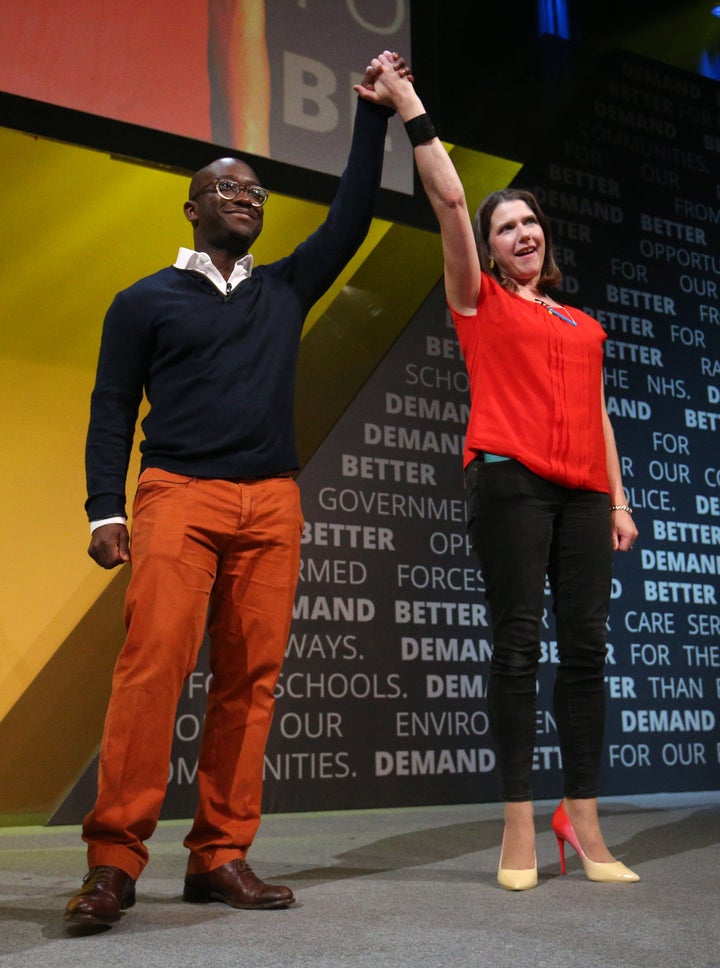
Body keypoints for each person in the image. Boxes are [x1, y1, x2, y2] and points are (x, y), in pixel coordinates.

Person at [65, 49, 411, 930]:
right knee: (152, 671)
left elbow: (354, 212)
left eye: (256, 192)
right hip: (178, 494)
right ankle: (113, 862)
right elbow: (111, 411)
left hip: (271, 504)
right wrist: (107, 506)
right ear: (192, 205)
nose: (247, 199)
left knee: (250, 682)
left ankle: (219, 854)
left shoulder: (286, 290)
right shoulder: (143, 301)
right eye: (229, 188)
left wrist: (371, 116)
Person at [358, 53, 640, 891]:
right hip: (511, 480)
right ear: (486, 247)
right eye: (505, 226)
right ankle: (519, 820)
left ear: (545, 236)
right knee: (518, 647)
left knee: (585, 652)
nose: (522, 233)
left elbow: (598, 414)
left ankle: (581, 817)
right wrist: (409, 100)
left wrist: (619, 500)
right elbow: (448, 194)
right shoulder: (479, 299)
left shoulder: (581, 322)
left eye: (530, 223)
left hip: (588, 492)